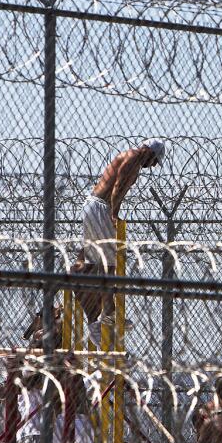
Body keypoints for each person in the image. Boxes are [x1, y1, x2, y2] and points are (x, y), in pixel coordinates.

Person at [78, 139, 165, 344]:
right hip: (100, 207)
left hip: (97, 206)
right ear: (150, 154)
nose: (151, 167)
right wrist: (114, 214)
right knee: (108, 265)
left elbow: (120, 187)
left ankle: (96, 319)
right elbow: (118, 186)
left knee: (96, 263)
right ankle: (106, 317)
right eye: (154, 162)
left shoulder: (132, 157)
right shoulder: (134, 157)